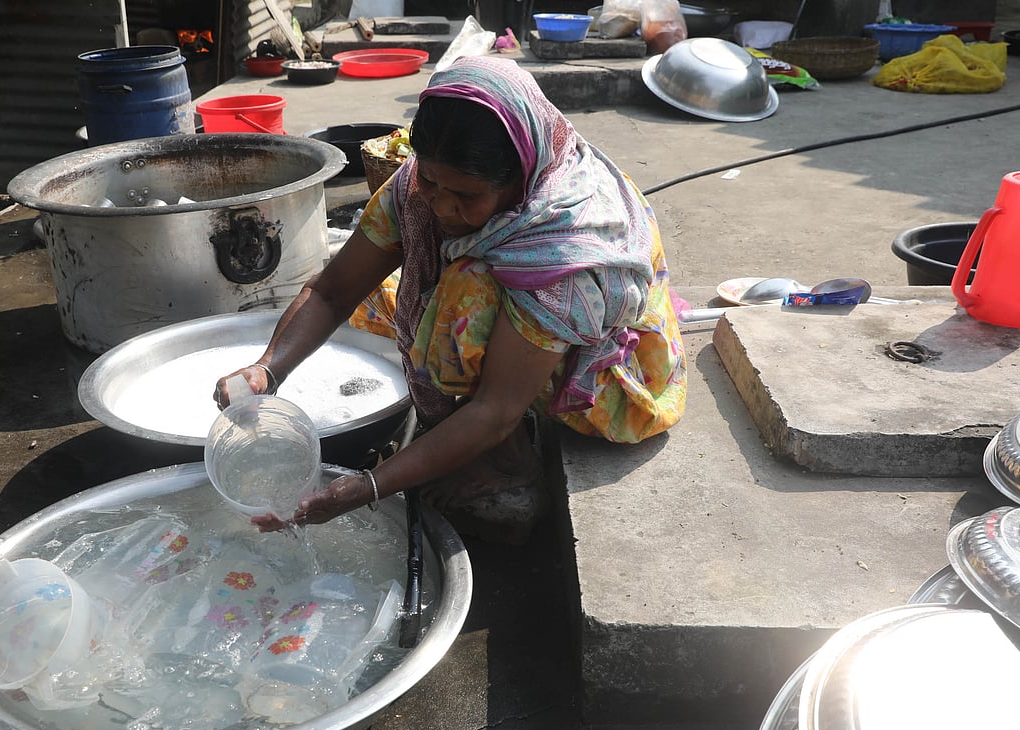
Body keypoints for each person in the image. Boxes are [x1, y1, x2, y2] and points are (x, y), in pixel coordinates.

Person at [214, 56, 687, 540]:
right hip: (531, 338)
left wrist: (368, 487)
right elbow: (334, 291)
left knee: (464, 296)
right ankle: (468, 427)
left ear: (519, 177)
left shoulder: (563, 248)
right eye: (431, 182)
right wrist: (268, 367)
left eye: (464, 194)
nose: (440, 205)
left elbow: (495, 411)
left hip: (613, 384)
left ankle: (510, 464)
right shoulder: (417, 187)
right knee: (378, 296)